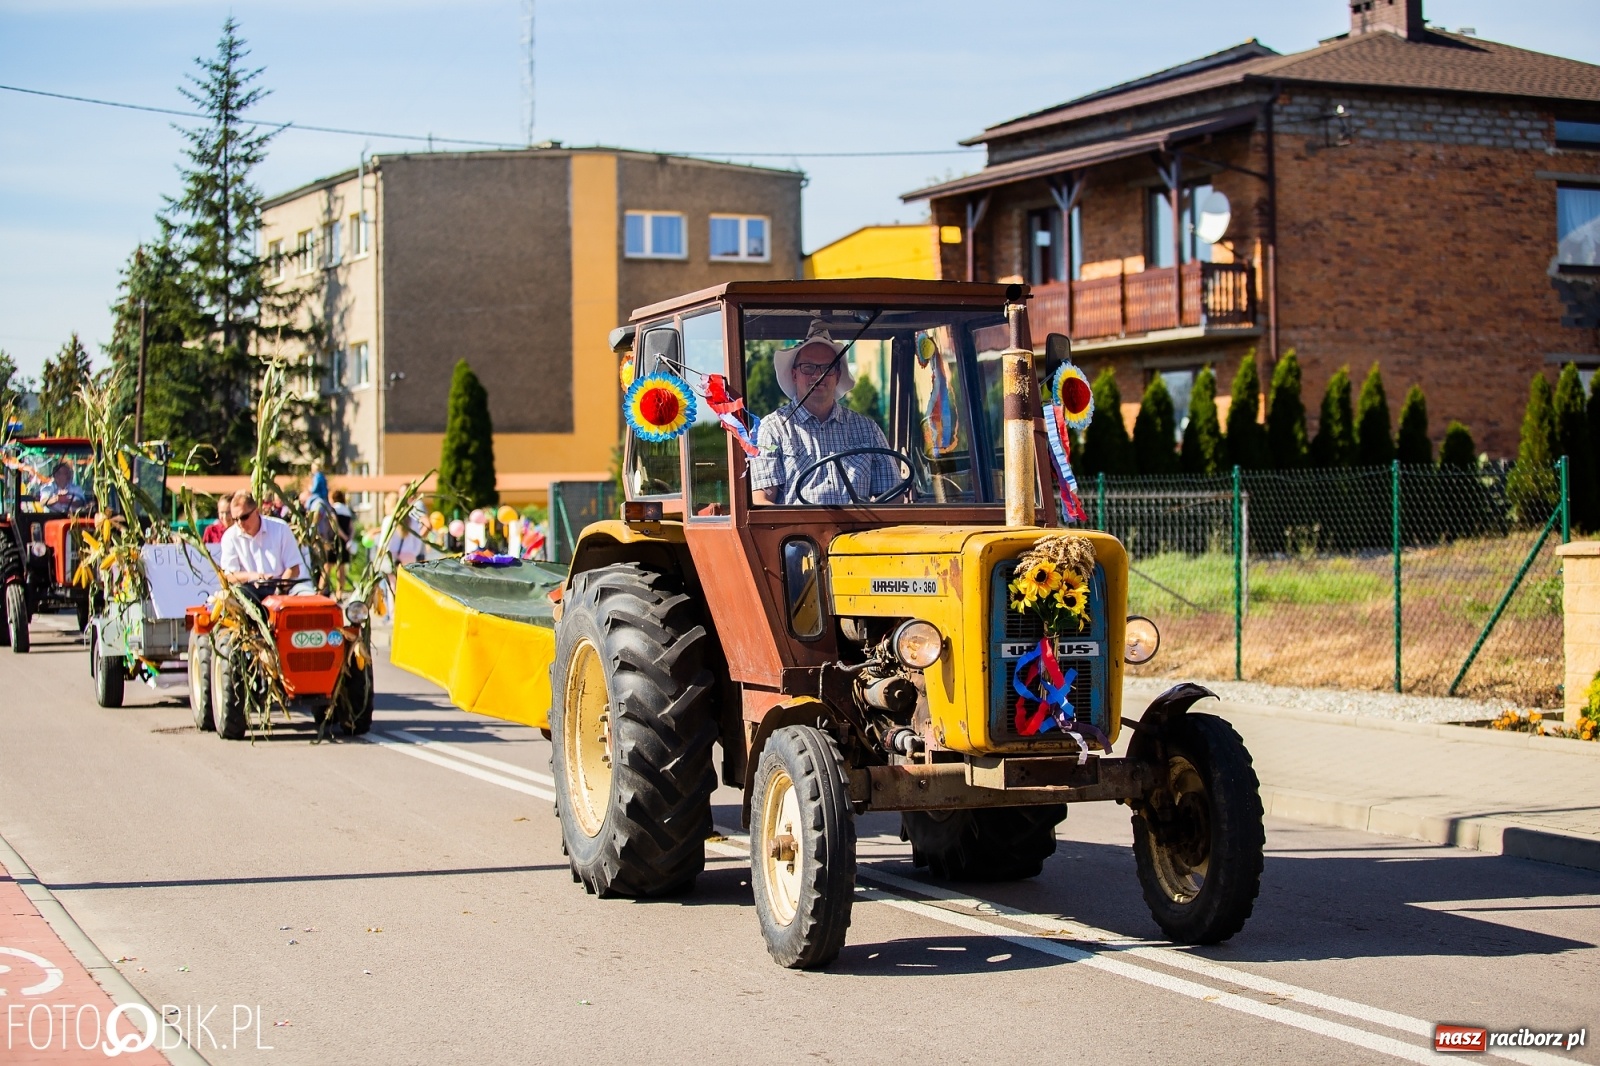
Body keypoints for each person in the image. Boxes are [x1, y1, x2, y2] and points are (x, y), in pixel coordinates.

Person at [750, 328, 901, 506]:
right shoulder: (773, 429)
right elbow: (762, 502)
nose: (818, 375)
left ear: (837, 376)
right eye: (808, 367)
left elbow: (894, 496)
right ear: (794, 375)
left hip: (859, 531)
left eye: (827, 368)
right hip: (799, 533)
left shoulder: (867, 429)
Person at [219, 490, 308, 587]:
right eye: (235, 519)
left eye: (244, 517)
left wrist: (280, 589)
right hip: (249, 589)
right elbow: (229, 576)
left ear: (257, 512)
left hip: (284, 587)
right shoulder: (229, 536)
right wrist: (254, 576)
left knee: (307, 594)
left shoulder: (280, 528)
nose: (240, 523)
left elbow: (294, 568)